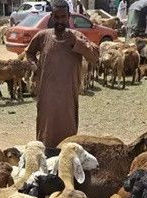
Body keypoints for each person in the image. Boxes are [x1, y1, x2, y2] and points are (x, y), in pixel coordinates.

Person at [25, 0, 98, 148]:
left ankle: (66, 159)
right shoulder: (43, 36)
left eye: (63, 17)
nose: (60, 21)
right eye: (56, 17)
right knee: (45, 133)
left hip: (68, 96)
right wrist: (34, 67)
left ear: (69, 16)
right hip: (46, 96)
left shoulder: (77, 36)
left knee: (68, 134)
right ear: (52, 16)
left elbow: (94, 58)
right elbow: (29, 53)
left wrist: (76, 42)